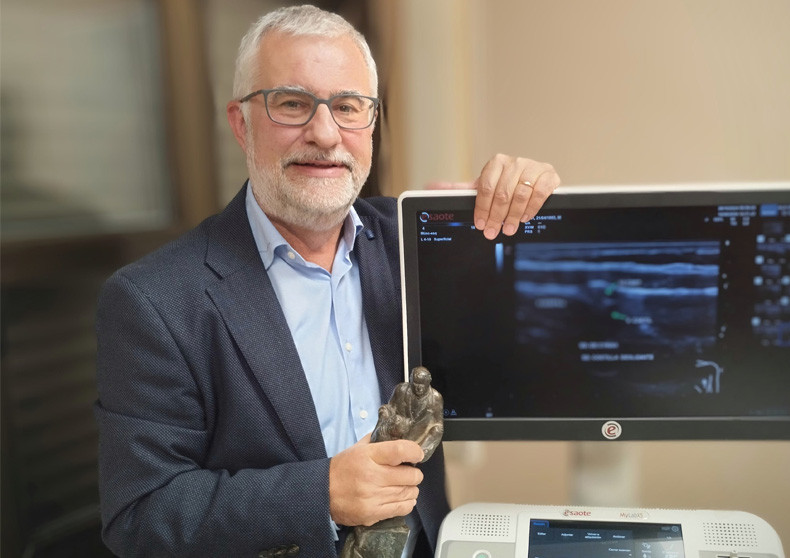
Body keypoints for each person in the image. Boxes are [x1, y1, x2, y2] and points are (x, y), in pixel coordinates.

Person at [93, 4, 559, 558]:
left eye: (347, 106)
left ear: (372, 122)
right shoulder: (154, 300)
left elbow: (527, 349)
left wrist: (528, 207)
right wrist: (321, 493)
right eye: (292, 104)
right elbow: (141, 515)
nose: (324, 133)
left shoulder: (417, 242)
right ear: (241, 123)